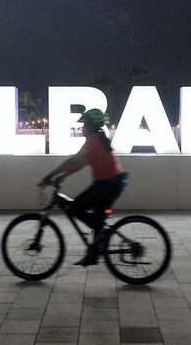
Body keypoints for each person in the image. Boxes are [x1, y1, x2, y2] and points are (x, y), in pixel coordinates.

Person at [41, 108, 128, 266]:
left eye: (84, 125)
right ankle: (94, 253)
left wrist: (49, 176)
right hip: (112, 182)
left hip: (108, 184)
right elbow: (80, 164)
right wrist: (64, 176)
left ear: (91, 126)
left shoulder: (93, 141)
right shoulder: (98, 139)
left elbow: (72, 161)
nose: (82, 128)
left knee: (76, 208)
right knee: (97, 216)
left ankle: (102, 234)